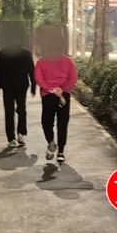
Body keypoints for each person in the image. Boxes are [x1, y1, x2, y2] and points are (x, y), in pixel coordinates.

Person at [35, 33, 78, 163]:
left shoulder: (41, 62)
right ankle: (61, 153)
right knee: (62, 123)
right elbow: (73, 78)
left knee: (47, 121)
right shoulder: (68, 61)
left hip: (48, 96)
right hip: (64, 96)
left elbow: (39, 79)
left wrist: (50, 89)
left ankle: (51, 142)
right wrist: (62, 89)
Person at [0, 34, 36, 148]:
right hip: (22, 86)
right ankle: (21, 133)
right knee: (22, 110)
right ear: (20, 40)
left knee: (9, 112)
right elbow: (32, 71)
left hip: (7, 86)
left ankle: (11, 138)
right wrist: (33, 87)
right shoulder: (26, 53)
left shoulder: (3, 53)